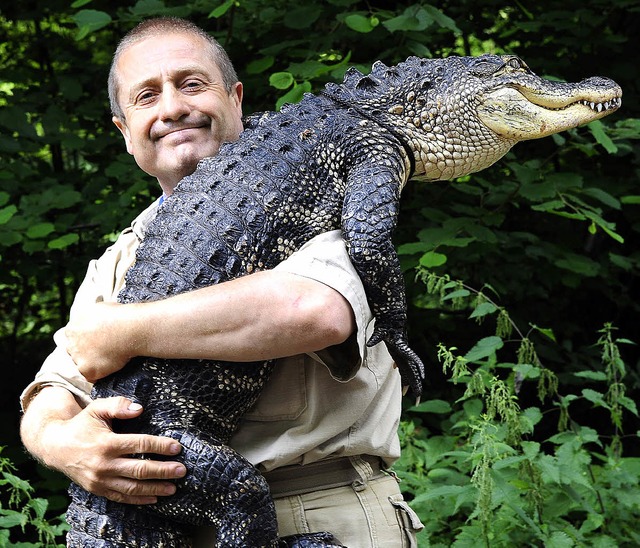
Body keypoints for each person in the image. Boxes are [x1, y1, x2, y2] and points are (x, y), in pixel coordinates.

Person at [19, 17, 423, 547]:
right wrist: (62, 445)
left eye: (191, 84)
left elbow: (313, 312)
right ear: (124, 131)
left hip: (323, 510)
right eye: (146, 96)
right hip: (170, 510)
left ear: (235, 98)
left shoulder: (315, 195)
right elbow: (56, 385)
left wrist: (121, 332)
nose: (172, 109)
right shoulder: (121, 257)